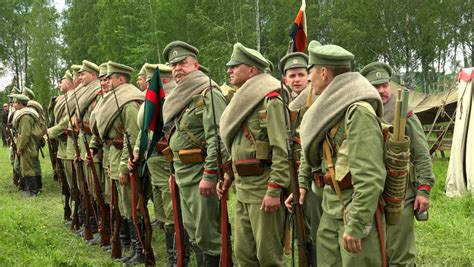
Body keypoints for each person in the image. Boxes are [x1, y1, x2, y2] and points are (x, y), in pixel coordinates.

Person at [298, 42, 386, 266]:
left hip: (354, 210)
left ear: (324, 72)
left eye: (311, 71)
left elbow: (370, 176)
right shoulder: (332, 110)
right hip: (331, 207)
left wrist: (356, 224)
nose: (309, 78)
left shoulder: (357, 112)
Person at [219, 42, 289, 266]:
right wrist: (229, 174)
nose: (229, 70)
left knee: (268, 257)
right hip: (242, 187)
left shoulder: (271, 100)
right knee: (244, 254)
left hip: (263, 188)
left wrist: (275, 189)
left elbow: (281, 149)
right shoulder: (241, 100)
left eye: (234, 66)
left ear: (251, 70)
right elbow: (237, 144)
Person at [360, 62, 435, 266]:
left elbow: (421, 154)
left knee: (400, 255)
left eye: (384, 85)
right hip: (371, 195)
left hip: (401, 193)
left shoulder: (403, 113)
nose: (382, 91)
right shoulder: (361, 113)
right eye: (376, 87)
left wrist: (424, 190)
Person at [162, 40, 227, 266]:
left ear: (196, 66)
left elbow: (218, 138)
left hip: (201, 174)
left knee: (209, 235)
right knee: (195, 233)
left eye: (183, 63)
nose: (177, 69)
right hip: (183, 174)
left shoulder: (208, 92)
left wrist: (210, 175)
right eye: (174, 65)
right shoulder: (179, 97)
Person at [90, 61, 145, 264]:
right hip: (111, 156)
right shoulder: (113, 100)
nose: (104, 82)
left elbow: (131, 138)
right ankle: (130, 243)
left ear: (121, 79)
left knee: (132, 206)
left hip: (123, 160)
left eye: (109, 78)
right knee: (121, 204)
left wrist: (124, 166)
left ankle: (141, 249)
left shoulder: (129, 102)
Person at [131, 63, 178, 266]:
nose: (148, 86)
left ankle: (177, 258)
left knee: (172, 212)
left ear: (164, 81)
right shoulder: (154, 102)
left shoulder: (173, 100)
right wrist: (136, 152)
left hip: (169, 164)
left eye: (151, 82)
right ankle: (171, 256)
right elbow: (145, 132)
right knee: (162, 212)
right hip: (154, 166)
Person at [281, 49, 321, 266]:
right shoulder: (284, 103)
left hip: (312, 174)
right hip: (291, 173)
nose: (296, 80)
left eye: (300, 74)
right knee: (298, 226)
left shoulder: (318, 101)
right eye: (292, 75)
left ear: (308, 75)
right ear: (285, 79)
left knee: (315, 227)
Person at [11, 94, 42, 196]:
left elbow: (25, 134)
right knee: (30, 166)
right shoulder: (26, 114)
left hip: (27, 145)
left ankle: (32, 191)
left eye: (15, 102)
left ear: (20, 103)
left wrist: (20, 148)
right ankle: (35, 188)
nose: (13, 104)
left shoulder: (25, 116)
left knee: (27, 168)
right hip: (29, 144)